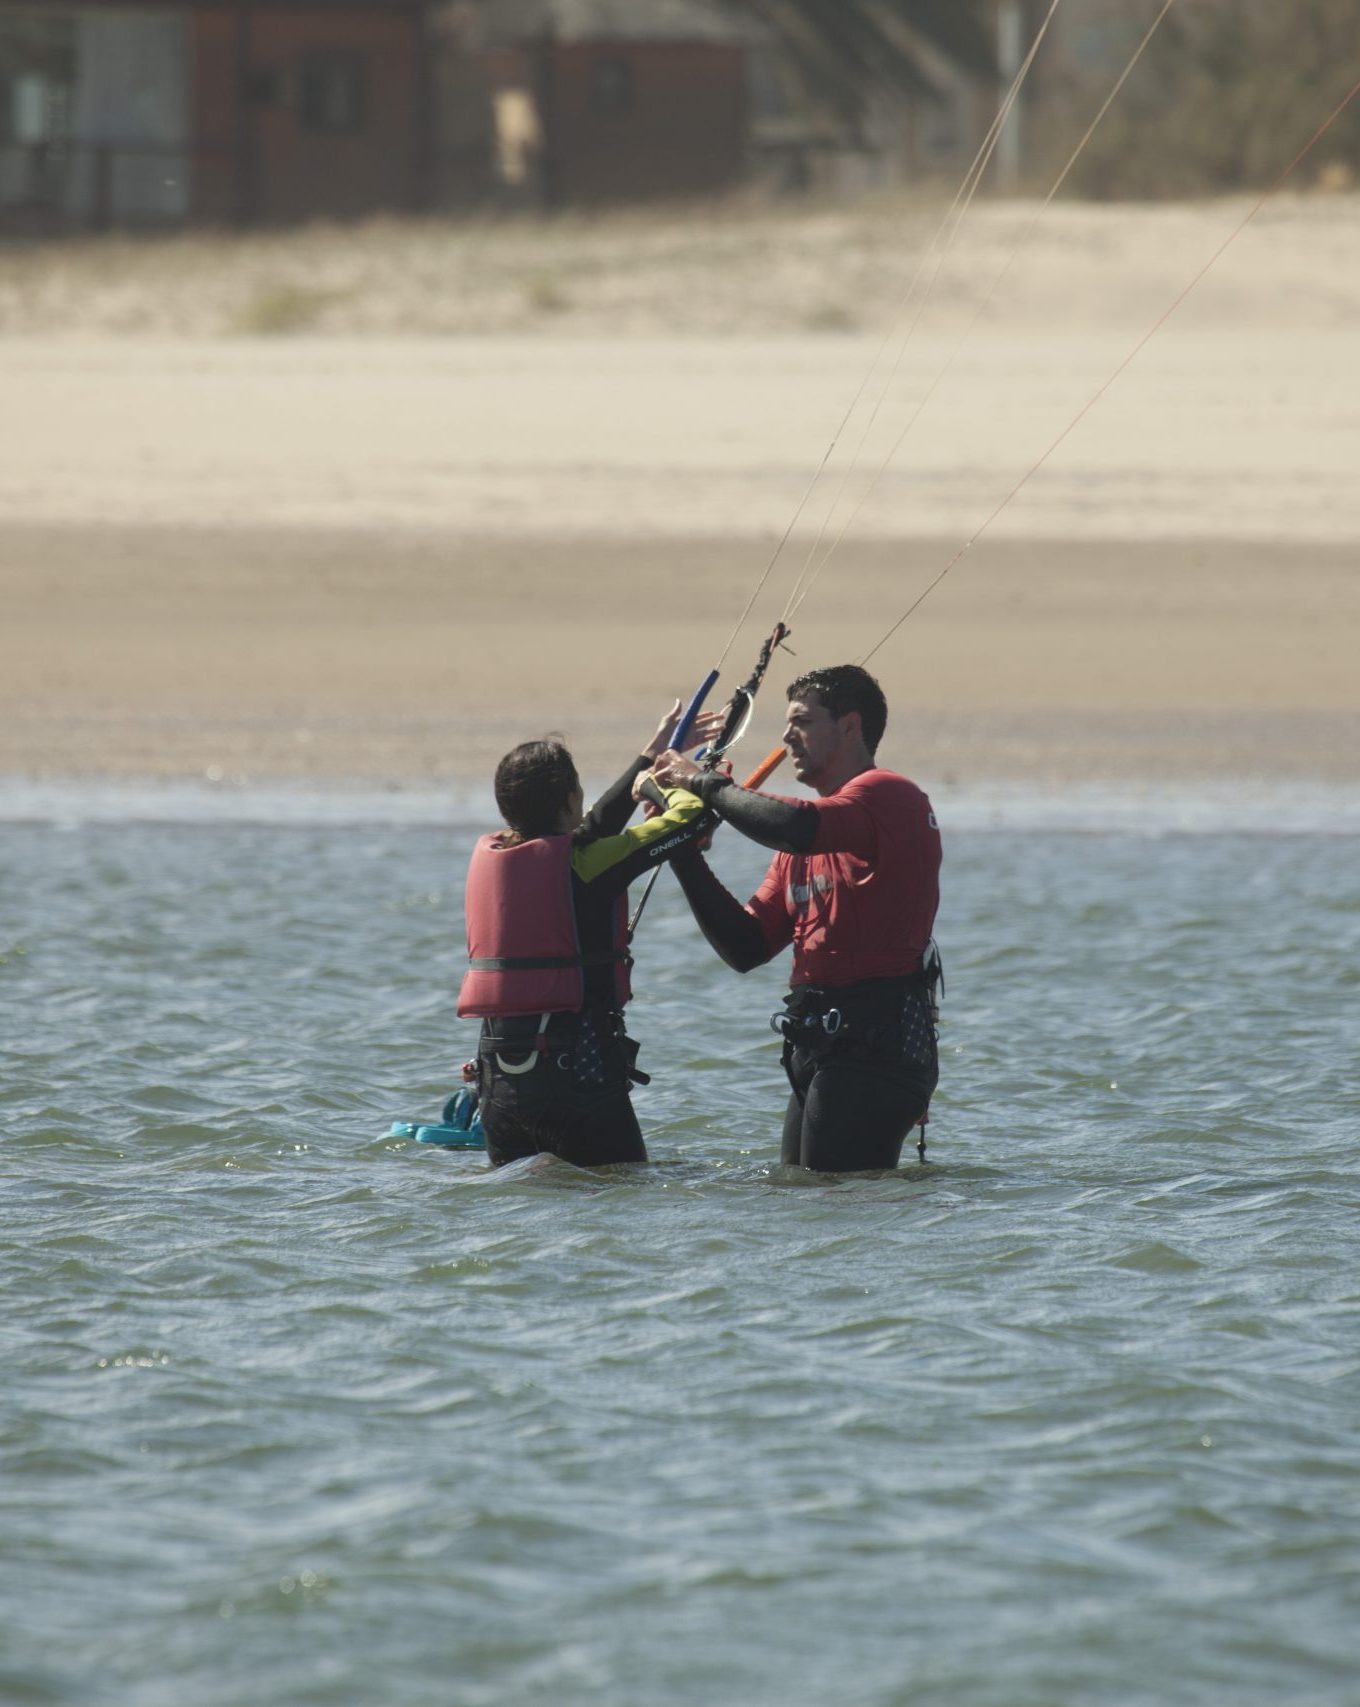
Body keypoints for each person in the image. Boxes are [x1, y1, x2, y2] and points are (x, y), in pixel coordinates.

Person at [650, 665, 942, 1174]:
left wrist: (700, 782)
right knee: (798, 1198)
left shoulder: (889, 795)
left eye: (801, 721)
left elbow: (792, 825)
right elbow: (745, 947)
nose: (786, 738)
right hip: (819, 1045)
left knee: (828, 1203)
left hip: (875, 1047)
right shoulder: (802, 845)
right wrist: (681, 848)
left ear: (850, 726)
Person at [458, 700, 720, 1169]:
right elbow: (690, 820)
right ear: (568, 802)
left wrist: (651, 756)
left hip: (499, 1088)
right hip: (576, 1082)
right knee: (621, 1198)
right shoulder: (587, 863)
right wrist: (669, 785)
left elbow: (588, 830)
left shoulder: (502, 853)